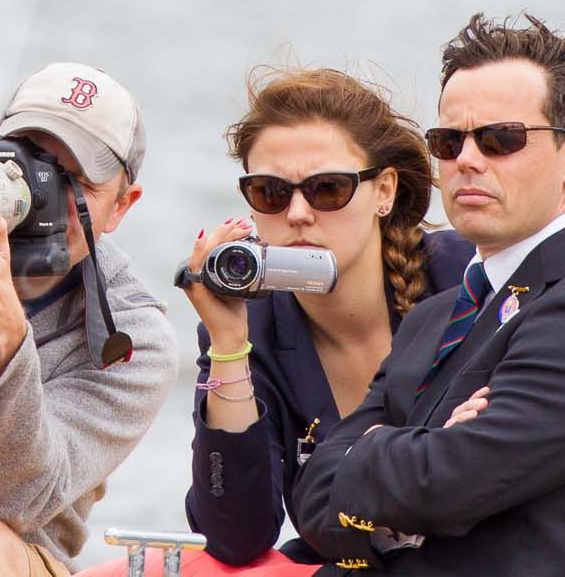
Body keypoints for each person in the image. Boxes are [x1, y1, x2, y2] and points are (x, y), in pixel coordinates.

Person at [292, 13, 565, 572]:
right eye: (449, 141)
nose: (468, 160)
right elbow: (312, 493)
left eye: (501, 139)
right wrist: (422, 464)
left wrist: (381, 457)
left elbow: (455, 478)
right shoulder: (433, 316)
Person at [180, 67, 471, 566]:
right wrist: (229, 345)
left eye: (328, 189)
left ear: (384, 191)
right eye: (271, 192)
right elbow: (235, 537)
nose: (297, 213)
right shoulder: (254, 326)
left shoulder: (468, 278)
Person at [0, 64, 176, 577]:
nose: (42, 195)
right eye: (26, 162)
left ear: (122, 206)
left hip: (6, 558)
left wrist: (3, 347)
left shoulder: (133, 339)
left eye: (76, 181)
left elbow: (13, 497)